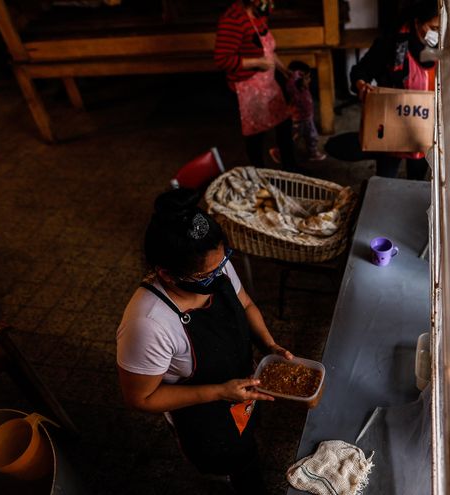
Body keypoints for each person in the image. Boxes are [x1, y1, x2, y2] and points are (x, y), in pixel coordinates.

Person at [116, 188, 293, 495]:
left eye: (224, 261)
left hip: (239, 391)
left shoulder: (215, 264)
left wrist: (269, 344)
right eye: (206, 275)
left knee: (248, 443)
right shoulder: (148, 325)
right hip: (204, 417)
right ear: (167, 274)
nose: (221, 273)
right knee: (234, 466)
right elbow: (141, 398)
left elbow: (246, 304)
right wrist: (218, 393)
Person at [349, 0, 439, 180]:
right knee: (385, 181)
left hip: (424, 128)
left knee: (417, 181)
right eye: (434, 27)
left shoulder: (444, 46)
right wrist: (362, 85)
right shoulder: (392, 42)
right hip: (392, 125)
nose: (439, 33)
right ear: (418, 22)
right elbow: (361, 71)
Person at [213, 0, 299, 172]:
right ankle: (260, 176)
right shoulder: (233, 20)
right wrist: (256, 62)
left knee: (284, 123)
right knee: (255, 135)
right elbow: (222, 59)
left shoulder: (259, 13)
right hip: (247, 86)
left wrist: (285, 71)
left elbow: (267, 51)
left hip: (267, 81)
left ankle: (292, 170)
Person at [285, 60, 327, 161]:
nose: (310, 80)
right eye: (307, 78)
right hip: (299, 120)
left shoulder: (304, 88)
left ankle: (312, 153)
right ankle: (280, 152)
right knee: (293, 139)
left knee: (312, 136)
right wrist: (295, 76)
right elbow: (291, 84)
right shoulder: (294, 90)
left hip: (307, 118)